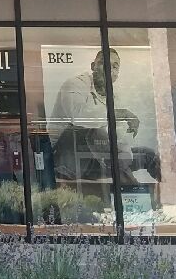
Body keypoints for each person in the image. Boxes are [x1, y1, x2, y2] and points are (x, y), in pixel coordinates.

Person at [50, 48, 141, 185]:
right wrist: (120, 114)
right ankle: (131, 186)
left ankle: (162, 194)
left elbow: (120, 138)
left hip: (91, 161)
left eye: (115, 66)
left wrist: (124, 158)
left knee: (148, 154)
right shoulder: (75, 84)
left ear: (117, 74)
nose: (109, 70)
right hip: (62, 161)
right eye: (104, 64)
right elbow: (78, 116)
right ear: (93, 66)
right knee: (94, 131)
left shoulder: (114, 97)